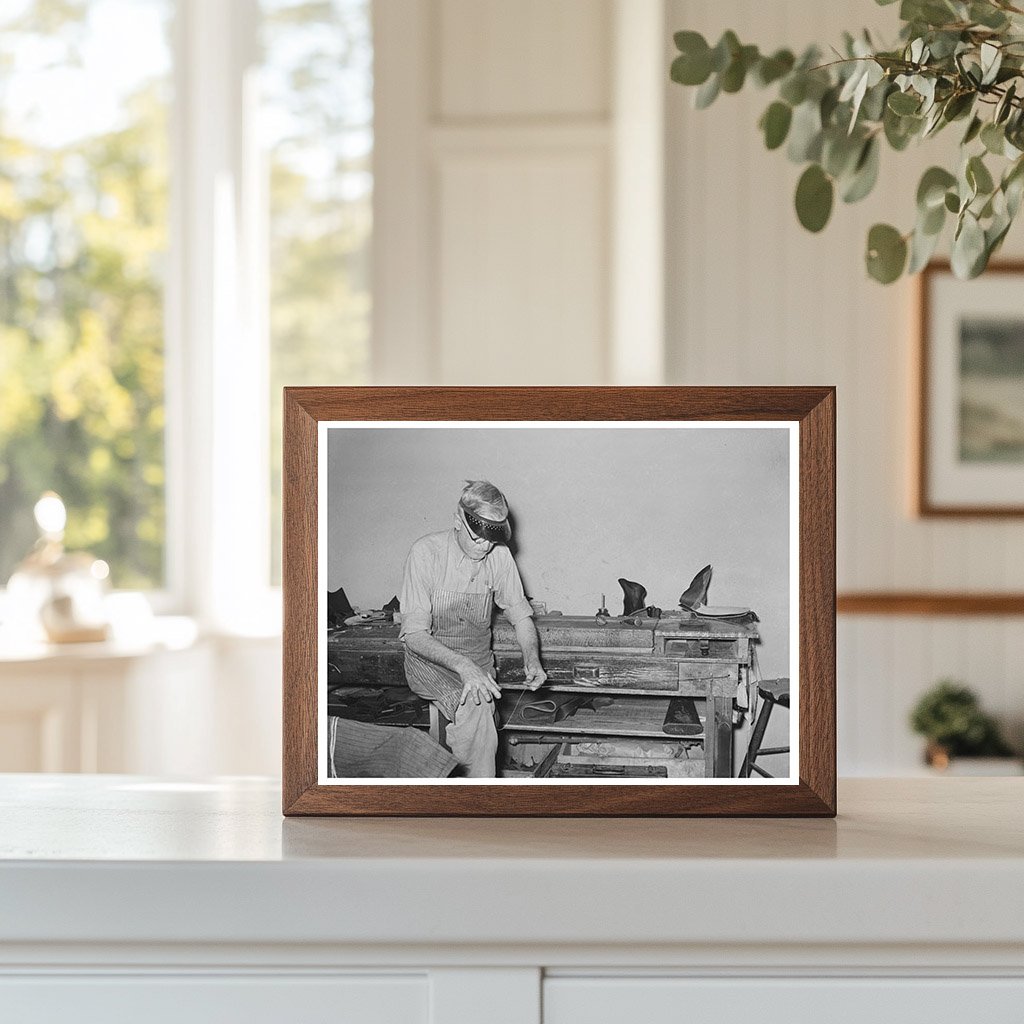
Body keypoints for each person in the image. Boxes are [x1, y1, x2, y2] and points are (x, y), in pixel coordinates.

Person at [399, 480, 546, 777]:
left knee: (482, 725)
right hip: (428, 661)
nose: (486, 545)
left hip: (478, 662)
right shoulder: (426, 553)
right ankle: (475, 799)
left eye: (492, 538)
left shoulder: (499, 556)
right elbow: (414, 635)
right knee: (474, 705)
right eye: (478, 537)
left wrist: (532, 659)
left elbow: (521, 618)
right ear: (458, 520)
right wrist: (462, 666)